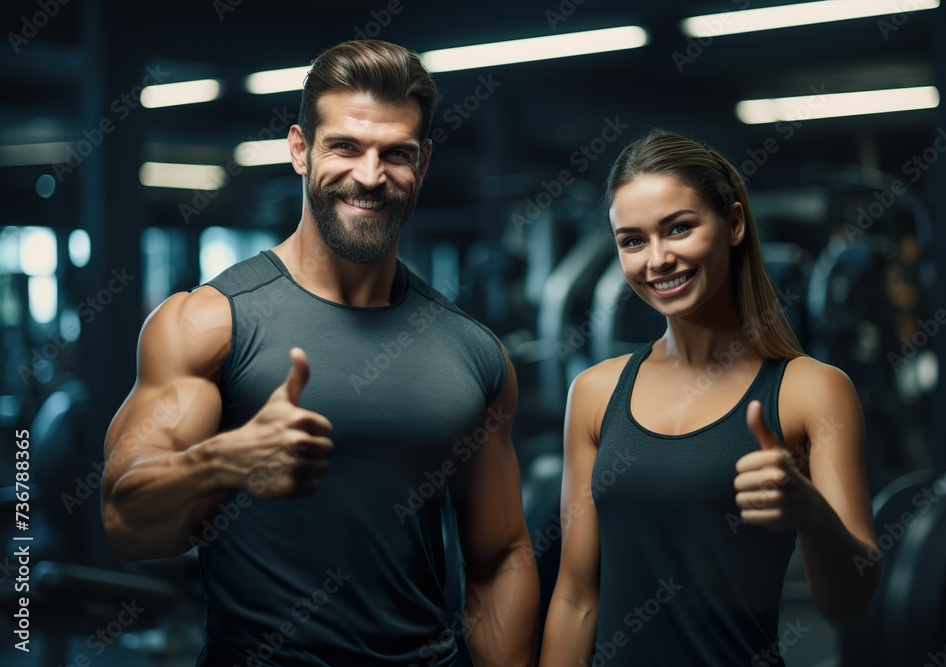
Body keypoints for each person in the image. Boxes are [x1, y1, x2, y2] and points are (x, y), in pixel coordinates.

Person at [101, 40, 538, 666]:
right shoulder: (209, 322)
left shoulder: (473, 353)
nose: (369, 174)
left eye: (397, 154)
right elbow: (126, 524)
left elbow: (500, 560)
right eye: (345, 146)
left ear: (425, 162)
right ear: (300, 149)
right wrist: (225, 462)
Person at [539, 129, 880, 665]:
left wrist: (810, 513)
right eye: (633, 240)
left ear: (735, 224)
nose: (657, 260)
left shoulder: (811, 391)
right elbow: (577, 597)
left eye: (678, 229)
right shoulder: (595, 392)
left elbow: (849, 602)